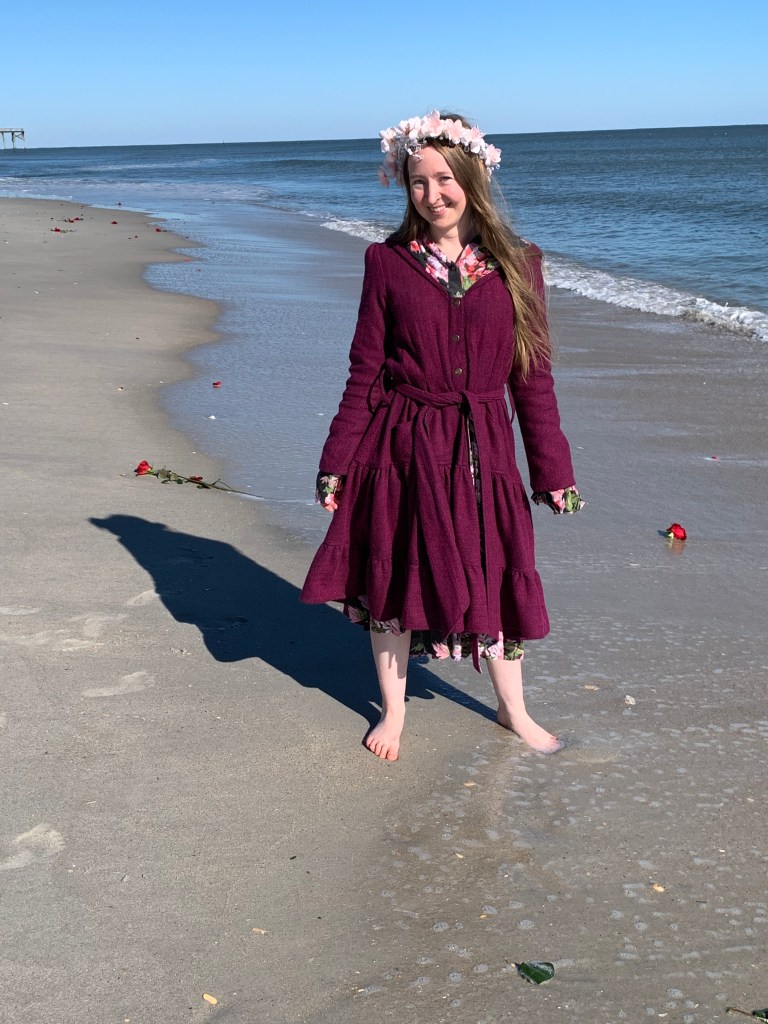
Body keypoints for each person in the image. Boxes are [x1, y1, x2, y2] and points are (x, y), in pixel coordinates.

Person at [300, 110, 583, 762]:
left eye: (445, 178)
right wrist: (336, 460)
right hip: (401, 451)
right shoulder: (388, 263)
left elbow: (532, 378)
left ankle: (514, 709)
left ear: (473, 176)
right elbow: (366, 372)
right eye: (418, 181)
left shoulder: (518, 264)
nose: (433, 194)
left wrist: (553, 471)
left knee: (498, 575)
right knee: (395, 579)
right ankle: (394, 711)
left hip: (486, 453)